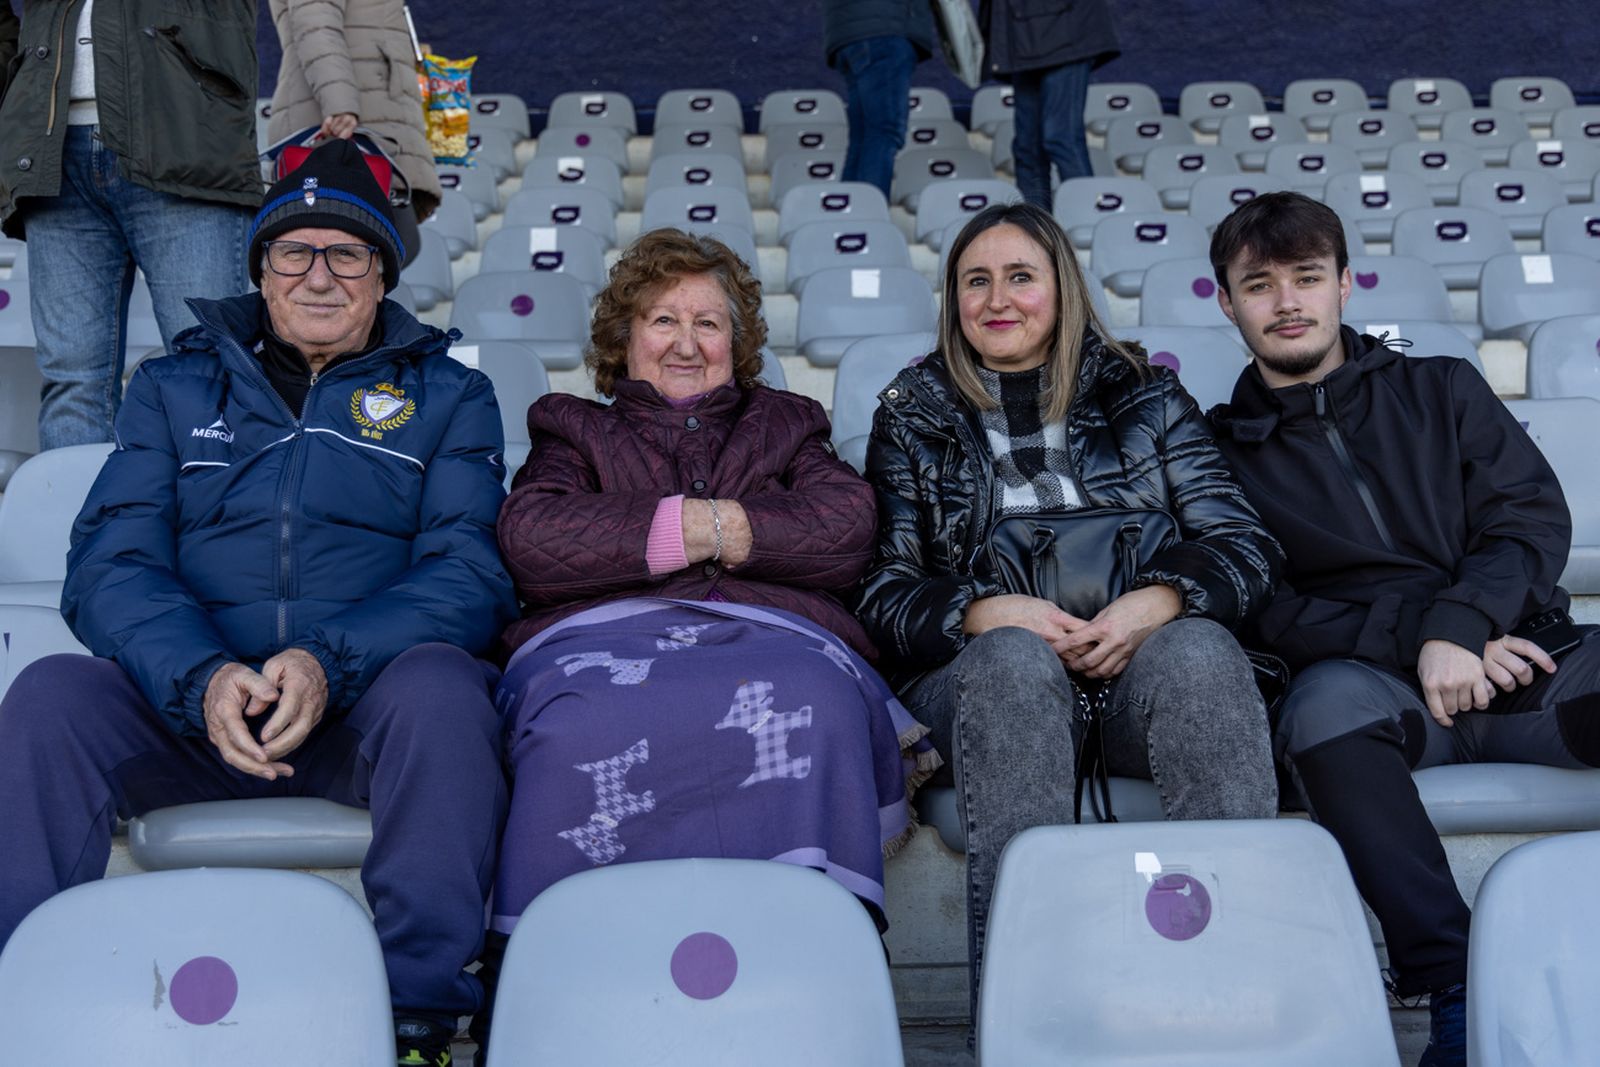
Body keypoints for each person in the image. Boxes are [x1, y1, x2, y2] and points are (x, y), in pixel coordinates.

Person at [0, 139, 517, 1067]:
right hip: (188, 712)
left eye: (347, 254)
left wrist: (326, 659)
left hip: (361, 715)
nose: (319, 277)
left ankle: (419, 1023)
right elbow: (110, 560)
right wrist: (200, 677)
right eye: (295, 252)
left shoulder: (450, 394)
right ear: (262, 270)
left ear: (382, 273)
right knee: (49, 696)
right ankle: (16, 992)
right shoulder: (173, 384)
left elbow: (468, 572)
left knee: (446, 691)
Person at [483, 227, 935, 1050]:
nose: (686, 342)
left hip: (772, 636)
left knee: (814, 696)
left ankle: (818, 978)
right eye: (662, 320)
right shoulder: (572, 428)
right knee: (580, 719)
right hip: (602, 641)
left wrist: (703, 529)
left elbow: (845, 526)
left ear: (740, 344)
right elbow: (537, 536)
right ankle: (566, 988)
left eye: (708, 323)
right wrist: (720, 528)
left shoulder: (789, 424)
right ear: (625, 340)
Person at [856, 201, 1282, 1034]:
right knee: (1014, 664)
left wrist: (1157, 601)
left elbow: (1244, 543)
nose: (996, 298)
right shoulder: (912, 416)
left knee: (1197, 649)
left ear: (1065, 289)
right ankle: (1027, 1022)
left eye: (1021, 276)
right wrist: (983, 610)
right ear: (952, 300)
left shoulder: (1148, 398)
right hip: (986, 690)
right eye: (975, 280)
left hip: (1138, 682)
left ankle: (1234, 1005)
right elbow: (880, 591)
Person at [1205, 190, 1600, 1067]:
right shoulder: (1215, 451)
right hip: (1376, 686)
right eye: (1259, 285)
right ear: (1226, 303)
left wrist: (1464, 623)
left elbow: (1528, 520)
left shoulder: (1442, 387)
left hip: (1523, 660)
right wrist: (1426, 639)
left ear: (1346, 284)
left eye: (1307, 277)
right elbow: (1264, 604)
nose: (1288, 302)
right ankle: (1456, 985)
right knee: (1319, 712)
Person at [0, 1, 260, 449]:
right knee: (71, 380)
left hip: (184, 132)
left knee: (209, 369)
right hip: (51, 148)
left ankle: (218, 518)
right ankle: (82, 518)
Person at [267, 0, 443, 226]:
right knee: (360, 246)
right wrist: (339, 104)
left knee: (387, 245)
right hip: (345, 125)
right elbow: (316, 20)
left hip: (371, 121)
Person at [978, 0, 1118, 208]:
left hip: (1064, 31)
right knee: (1028, 149)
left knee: (1062, 139)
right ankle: (1037, 234)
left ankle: (1089, 220)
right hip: (1021, 37)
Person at [821, 0, 935, 201]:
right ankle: (869, 214)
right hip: (885, 26)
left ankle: (850, 215)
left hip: (849, 29)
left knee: (864, 136)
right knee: (884, 133)